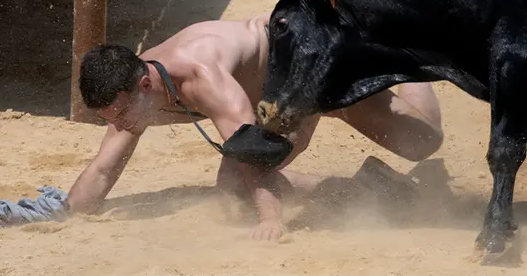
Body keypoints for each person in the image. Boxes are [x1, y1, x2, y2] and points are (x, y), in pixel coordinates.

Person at [66, 14, 443, 240]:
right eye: (109, 119)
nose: (118, 125)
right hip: (278, 88)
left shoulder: (201, 77)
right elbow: (103, 170)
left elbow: (252, 152)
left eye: (120, 114)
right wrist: (69, 210)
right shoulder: (131, 91)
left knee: (422, 142)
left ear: (144, 85)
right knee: (234, 189)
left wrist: (271, 219)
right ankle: (370, 187)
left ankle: (409, 51)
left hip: (312, 58)